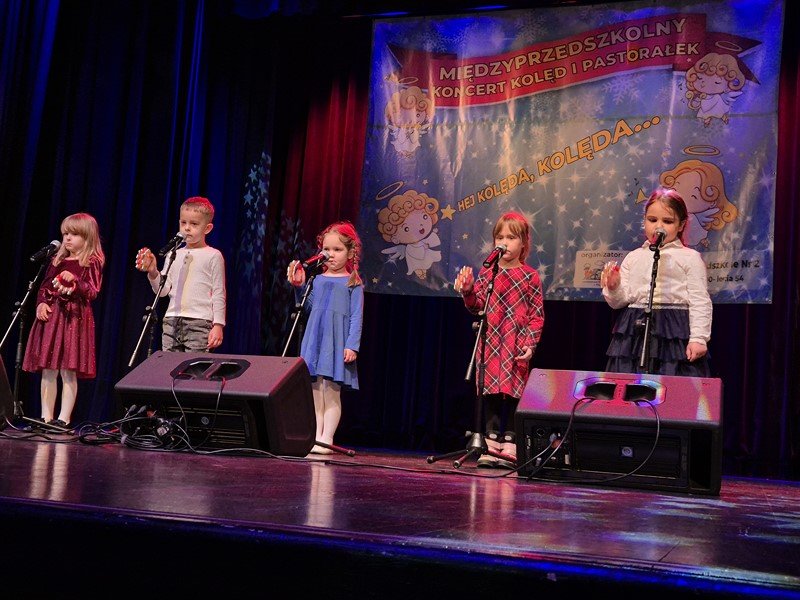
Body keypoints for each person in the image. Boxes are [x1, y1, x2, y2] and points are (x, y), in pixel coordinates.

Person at [454, 212, 545, 469]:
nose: (504, 242)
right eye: (499, 237)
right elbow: (477, 306)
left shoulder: (530, 276)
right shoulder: (488, 273)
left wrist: (530, 344)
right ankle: (491, 441)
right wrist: (468, 291)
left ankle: (511, 442)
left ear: (523, 243)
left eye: (511, 237)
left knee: (514, 392)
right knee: (490, 391)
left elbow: (536, 315)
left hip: (516, 343)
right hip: (491, 342)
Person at [600, 188, 712, 377]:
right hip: (635, 329)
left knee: (672, 383)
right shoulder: (634, 257)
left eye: (667, 221)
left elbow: (699, 300)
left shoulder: (689, 257)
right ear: (644, 220)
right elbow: (619, 301)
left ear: (681, 225)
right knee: (631, 383)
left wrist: (699, 338)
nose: (658, 226)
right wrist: (614, 286)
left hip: (674, 330)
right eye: (652, 220)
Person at [287, 221, 364, 455]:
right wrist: (299, 286)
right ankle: (316, 437)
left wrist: (352, 345)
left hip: (336, 341)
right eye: (326, 249)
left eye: (337, 249)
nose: (330, 254)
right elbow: (307, 307)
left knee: (331, 391)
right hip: (315, 339)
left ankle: (327, 438)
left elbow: (356, 317)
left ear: (350, 253)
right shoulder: (317, 279)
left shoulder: (353, 283)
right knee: (314, 391)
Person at [23, 213, 105, 428]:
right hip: (52, 318)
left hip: (73, 320)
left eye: (74, 234)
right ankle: (46, 417)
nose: (67, 238)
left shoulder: (91, 262)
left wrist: (75, 280)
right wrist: (41, 303)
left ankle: (64, 419)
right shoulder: (56, 260)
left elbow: (92, 291)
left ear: (87, 238)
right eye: (65, 233)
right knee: (48, 369)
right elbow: (44, 287)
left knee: (68, 370)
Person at [135, 196, 226, 352]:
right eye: (183, 223)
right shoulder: (173, 254)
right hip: (171, 320)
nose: (187, 228)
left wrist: (218, 325)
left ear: (207, 228)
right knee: (169, 366)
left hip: (199, 322)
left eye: (194, 224)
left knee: (194, 365)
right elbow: (163, 291)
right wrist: (153, 272)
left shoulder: (213, 255)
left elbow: (219, 292)